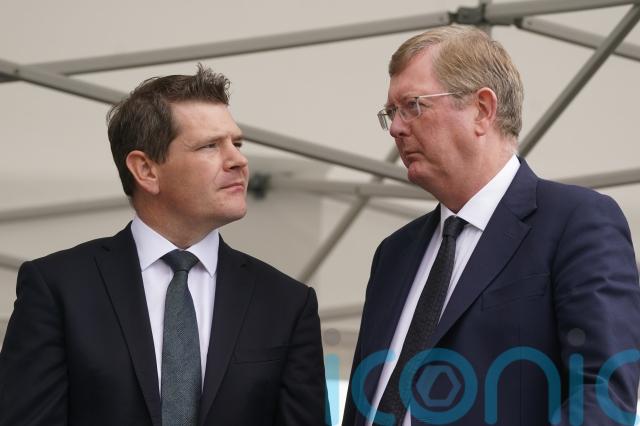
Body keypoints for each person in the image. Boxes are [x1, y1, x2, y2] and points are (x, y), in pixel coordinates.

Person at [343, 25, 640, 426]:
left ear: (482, 109)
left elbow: (603, 392)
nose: (396, 127)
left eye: (412, 106)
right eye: (391, 113)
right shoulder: (393, 254)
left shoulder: (575, 222)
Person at [0, 65, 326, 426]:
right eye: (209, 146)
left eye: (236, 143)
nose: (238, 160)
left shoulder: (287, 303)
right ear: (146, 170)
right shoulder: (58, 288)